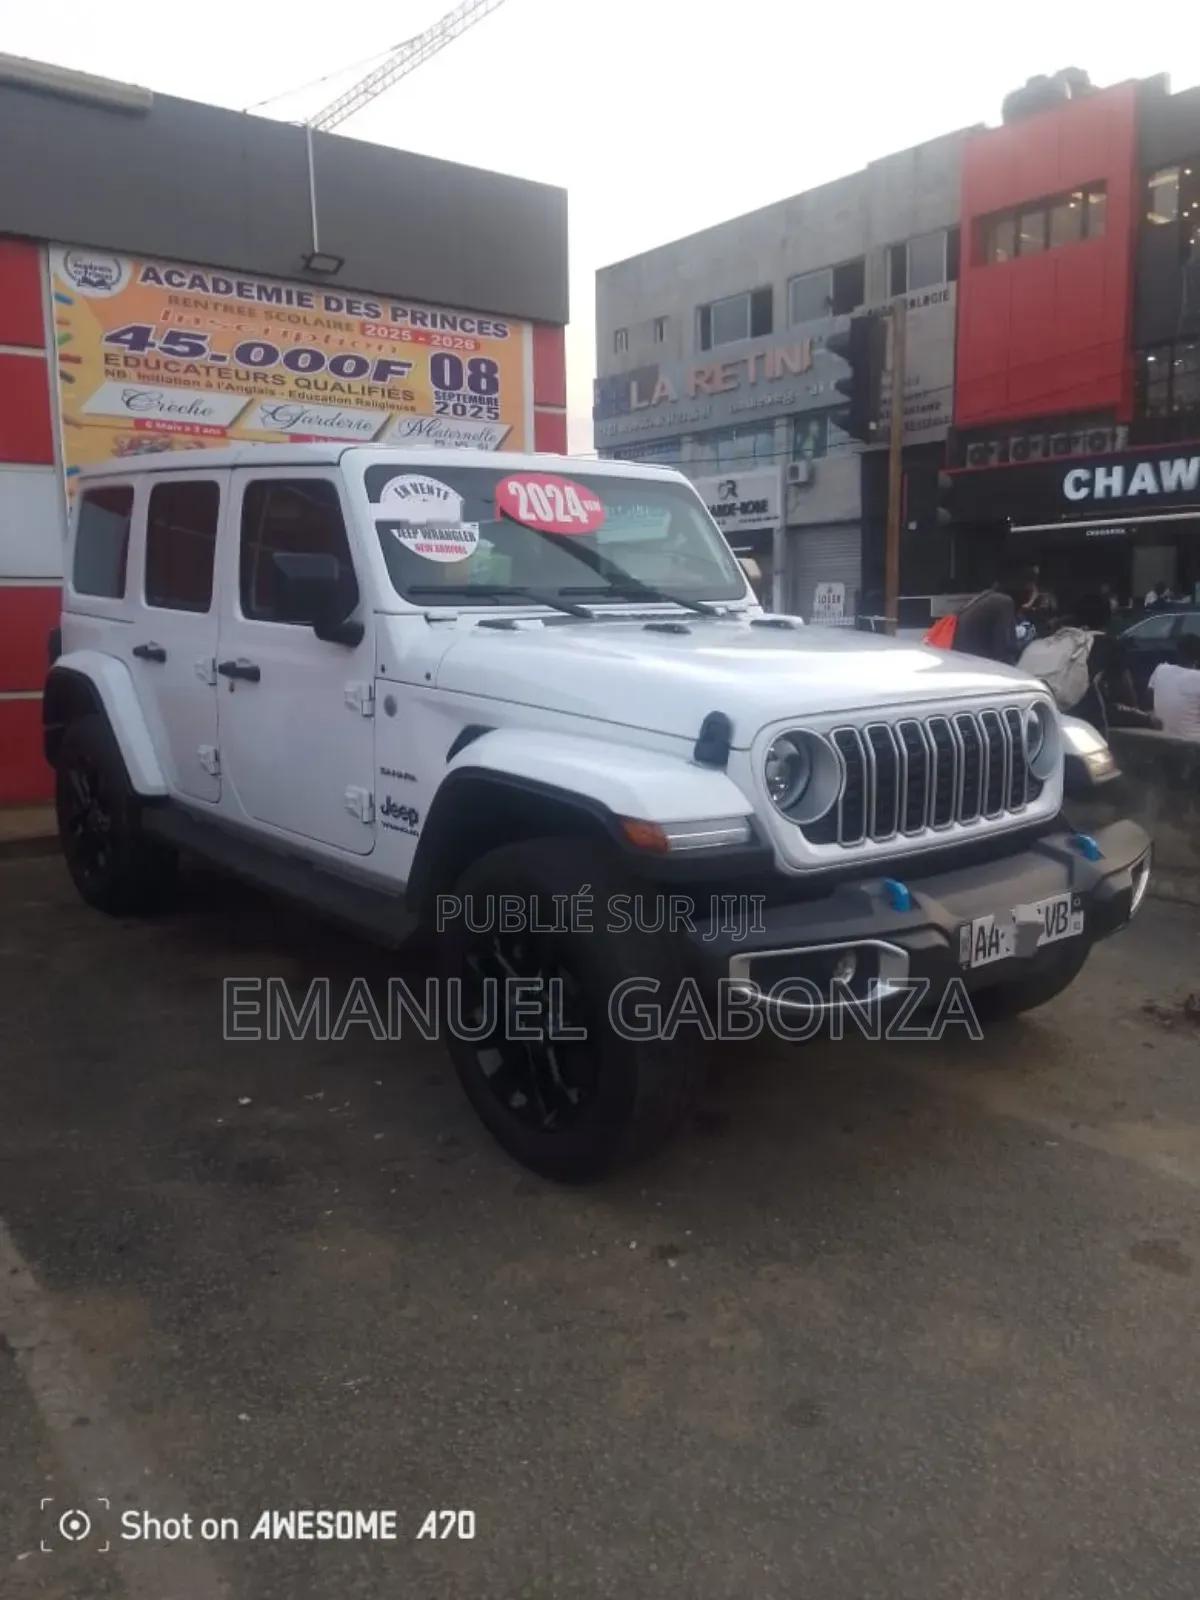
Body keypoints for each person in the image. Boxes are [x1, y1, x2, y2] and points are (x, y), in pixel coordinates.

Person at [1063, 592, 1161, 736]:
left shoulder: (1063, 639)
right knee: (1155, 722)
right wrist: (1144, 717)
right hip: (1089, 719)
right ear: (1108, 617)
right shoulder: (1109, 644)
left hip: (1058, 713)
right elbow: (1127, 694)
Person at [952, 567, 1039, 664]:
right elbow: (1004, 654)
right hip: (977, 668)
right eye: (1030, 586)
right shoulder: (1003, 603)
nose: (1033, 592)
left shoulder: (987, 599)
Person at [1149, 634, 1200, 741]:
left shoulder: (1160, 670)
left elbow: (1148, 699)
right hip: (1193, 743)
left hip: (1162, 738)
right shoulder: (1197, 678)